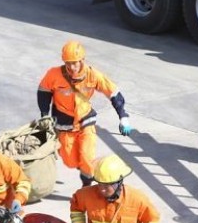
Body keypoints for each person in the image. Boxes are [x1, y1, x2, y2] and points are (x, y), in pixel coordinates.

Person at [38, 40, 133, 188]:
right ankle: (85, 165)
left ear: (82, 60)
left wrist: (123, 116)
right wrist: (44, 115)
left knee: (87, 157)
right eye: (68, 63)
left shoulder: (93, 75)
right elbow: (43, 91)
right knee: (70, 161)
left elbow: (113, 92)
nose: (71, 67)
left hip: (85, 120)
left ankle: (86, 186)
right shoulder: (54, 74)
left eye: (75, 62)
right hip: (64, 124)